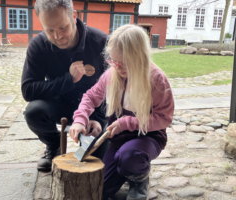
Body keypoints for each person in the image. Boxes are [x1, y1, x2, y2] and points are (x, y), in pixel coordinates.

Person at [69, 24, 174, 200]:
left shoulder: (156, 79)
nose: (117, 67)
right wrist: (80, 119)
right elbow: (90, 97)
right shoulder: (112, 74)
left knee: (129, 157)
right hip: (119, 140)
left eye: (124, 63)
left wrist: (127, 122)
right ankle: (128, 168)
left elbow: (164, 118)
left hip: (148, 137)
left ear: (139, 56)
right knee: (101, 191)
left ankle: (139, 177)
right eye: (113, 61)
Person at [21, 0, 109, 172]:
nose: (57, 36)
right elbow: (28, 90)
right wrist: (69, 80)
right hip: (60, 105)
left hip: (94, 111)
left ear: (74, 16)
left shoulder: (101, 42)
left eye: (63, 27)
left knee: (98, 165)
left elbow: (116, 88)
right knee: (33, 111)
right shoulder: (38, 45)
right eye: (50, 30)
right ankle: (53, 145)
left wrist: (97, 117)